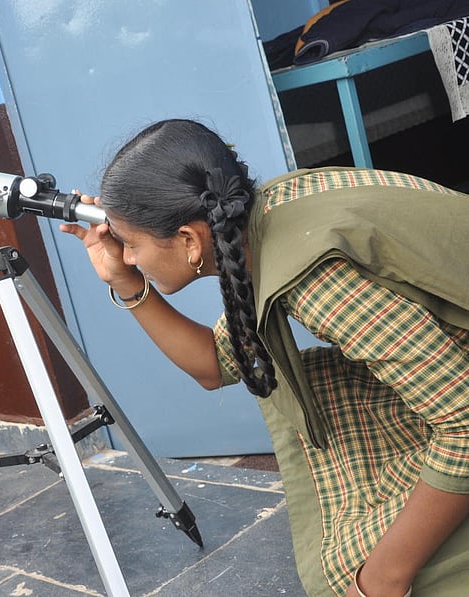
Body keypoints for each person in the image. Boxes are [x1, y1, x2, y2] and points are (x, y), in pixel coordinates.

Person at [59, 119, 468, 597]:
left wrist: (383, 577)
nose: (126, 256)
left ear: (191, 241)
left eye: (131, 245)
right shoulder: (267, 212)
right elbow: (216, 363)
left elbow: (464, 426)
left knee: (375, 562)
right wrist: (126, 282)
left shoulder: (317, 283)